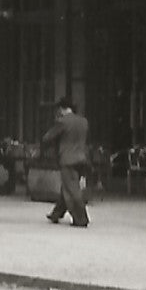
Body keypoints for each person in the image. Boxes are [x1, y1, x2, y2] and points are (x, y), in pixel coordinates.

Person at [42, 97, 91, 228]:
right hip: (82, 159)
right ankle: (56, 213)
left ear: (61, 109)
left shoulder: (62, 122)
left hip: (67, 160)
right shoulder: (83, 121)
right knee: (68, 186)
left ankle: (81, 218)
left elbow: (47, 138)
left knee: (72, 189)